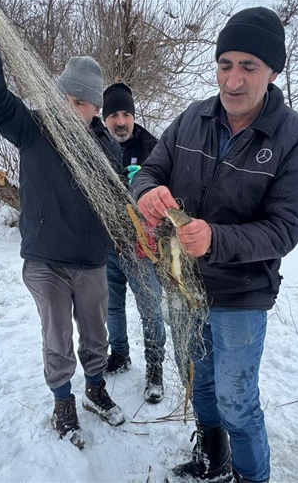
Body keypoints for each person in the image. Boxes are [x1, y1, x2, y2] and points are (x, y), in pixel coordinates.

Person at [132, 7, 298, 483]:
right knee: (202, 386)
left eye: (248, 66)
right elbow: (151, 169)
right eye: (225, 64)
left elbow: (286, 227)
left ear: (273, 71)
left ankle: (251, 477)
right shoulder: (193, 116)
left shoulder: (295, 137)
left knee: (237, 400)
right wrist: (146, 190)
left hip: (240, 294)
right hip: (185, 287)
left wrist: (216, 238)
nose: (233, 81)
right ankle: (213, 460)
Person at [0, 0, 126, 449]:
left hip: (90, 261)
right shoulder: (34, 129)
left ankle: (95, 388)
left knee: (95, 334)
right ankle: (62, 402)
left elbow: (119, 203)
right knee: (57, 337)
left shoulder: (106, 149)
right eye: (65, 98)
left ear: (95, 108)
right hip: (46, 260)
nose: (72, 109)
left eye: (82, 103)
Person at [101, 83, 167, 404]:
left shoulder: (153, 146)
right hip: (108, 244)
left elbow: (168, 194)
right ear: (105, 118)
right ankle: (120, 354)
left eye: (126, 113)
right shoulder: (94, 145)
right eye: (113, 114)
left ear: (134, 115)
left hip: (143, 248)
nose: (120, 121)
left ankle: (155, 367)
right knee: (111, 307)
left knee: (150, 309)